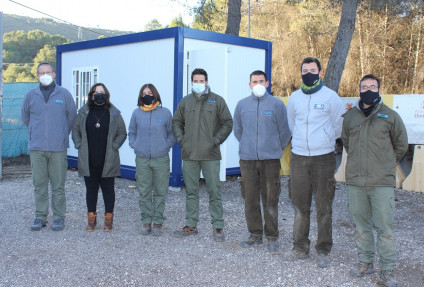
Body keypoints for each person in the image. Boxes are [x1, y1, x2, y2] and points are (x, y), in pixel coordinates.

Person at [341, 74, 407, 287]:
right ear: (359, 89)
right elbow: (346, 143)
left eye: (372, 86)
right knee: (361, 226)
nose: (368, 89)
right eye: (364, 86)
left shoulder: (391, 116)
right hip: (356, 182)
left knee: (385, 228)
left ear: (379, 89)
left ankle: (387, 269)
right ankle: (365, 262)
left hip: (381, 183)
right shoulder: (350, 116)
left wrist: (385, 164)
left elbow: (401, 145)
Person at [285, 57, 345, 268]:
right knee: (300, 205)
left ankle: (323, 250)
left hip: (323, 158)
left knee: (324, 206)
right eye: (305, 70)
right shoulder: (294, 98)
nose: (308, 73)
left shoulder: (331, 97)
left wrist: (323, 140)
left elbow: (338, 126)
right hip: (299, 158)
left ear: (320, 72)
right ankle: (300, 247)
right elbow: (292, 124)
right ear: (300, 73)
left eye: (312, 69)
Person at [172, 68, 233, 242]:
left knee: (214, 191)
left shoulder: (217, 101)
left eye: (201, 81)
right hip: (189, 154)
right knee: (191, 192)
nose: (198, 84)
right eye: (195, 81)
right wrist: (181, 139)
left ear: (206, 81)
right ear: (192, 82)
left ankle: (218, 226)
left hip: (210, 154)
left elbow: (228, 123)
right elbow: (176, 121)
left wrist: (216, 139)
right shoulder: (185, 102)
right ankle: (191, 225)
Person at [233, 70, 291, 252]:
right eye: (254, 81)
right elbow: (238, 130)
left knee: (270, 199)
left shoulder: (277, 105)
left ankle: (272, 236)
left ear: (267, 83)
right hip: (248, 161)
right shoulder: (242, 105)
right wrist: (248, 146)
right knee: (250, 199)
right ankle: (255, 234)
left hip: (270, 161)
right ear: (249, 84)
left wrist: (274, 149)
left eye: (261, 81)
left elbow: (285, 131)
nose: (257, 84)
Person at [21, 62, 77, 231]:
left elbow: (72, 116)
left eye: (48, 72)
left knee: (58, 184)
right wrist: (35, 132)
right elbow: (25, 117)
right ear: (37, 75)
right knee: (39, 184)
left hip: (58, 148)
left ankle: (59, 217)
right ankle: (40, 216)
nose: (45, 75)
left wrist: (60, 134)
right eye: (41, 72)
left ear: (54, 74)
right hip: (37, 147)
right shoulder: (30, 95)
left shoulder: (64, 94)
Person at [71, 83, 127, 231]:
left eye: (102, 92)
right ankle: (91, 220)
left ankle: (108, 220)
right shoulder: (83, 112)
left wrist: (115, 146)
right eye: (96, 92)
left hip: (108, 159)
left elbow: (122, 132)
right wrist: (79, 144)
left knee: (108, 190)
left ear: (106, 95)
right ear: (91, 95)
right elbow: (75, 130)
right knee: (91, 190)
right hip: (89, 159)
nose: (99, 94)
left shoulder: (114, 113)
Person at [128, 84, 175, 236]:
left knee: (160, 191)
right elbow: (132, 133)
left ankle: (158, 223)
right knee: (144, 191)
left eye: (150, 92)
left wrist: (165, 146)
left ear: (155, 95)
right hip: (142, 159)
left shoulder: (165, 113)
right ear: (141, 96)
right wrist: (135, 146)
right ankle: (146, 222)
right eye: (144, 93)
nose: (147, 95)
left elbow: (171, 133)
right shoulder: (136, 113)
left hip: (160, 158)